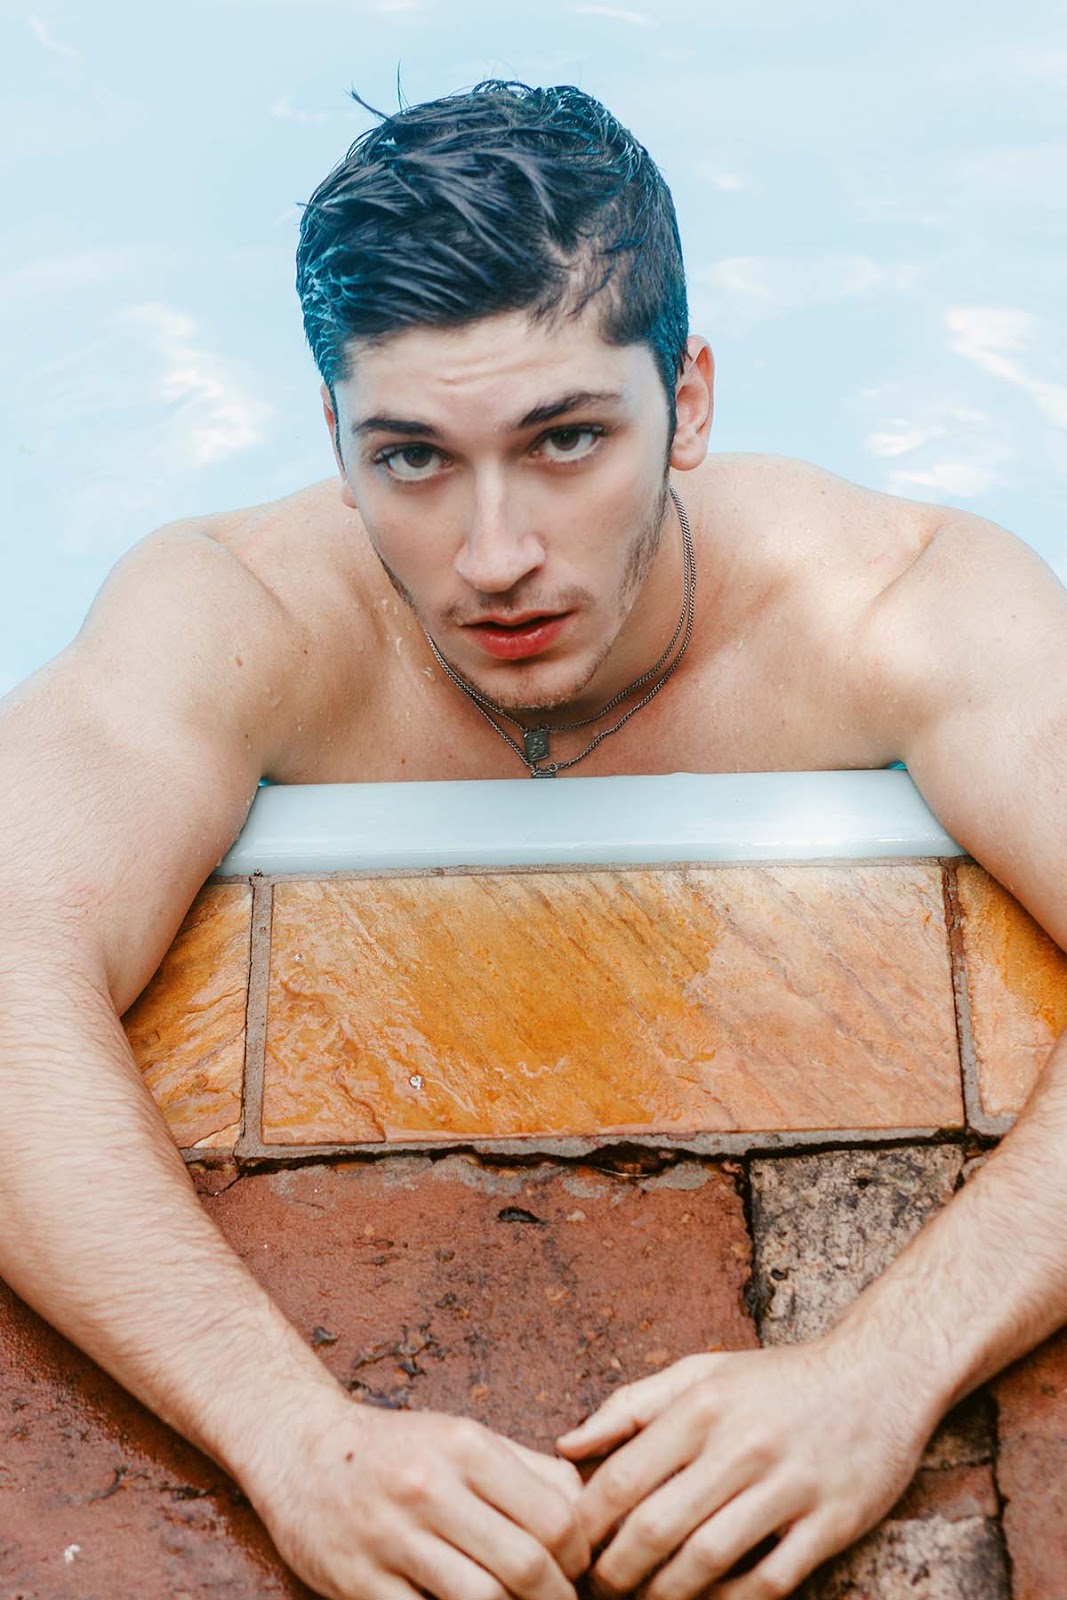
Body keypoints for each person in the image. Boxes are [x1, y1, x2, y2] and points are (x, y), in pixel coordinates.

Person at [0, 77, 1064, 1600]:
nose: (494, 557)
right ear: (334, 438)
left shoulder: (892, 606)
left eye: (566, 440)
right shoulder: (240, 615)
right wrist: (291, 1437)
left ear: (690, 402)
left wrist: (882, 1374)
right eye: (413, 458)